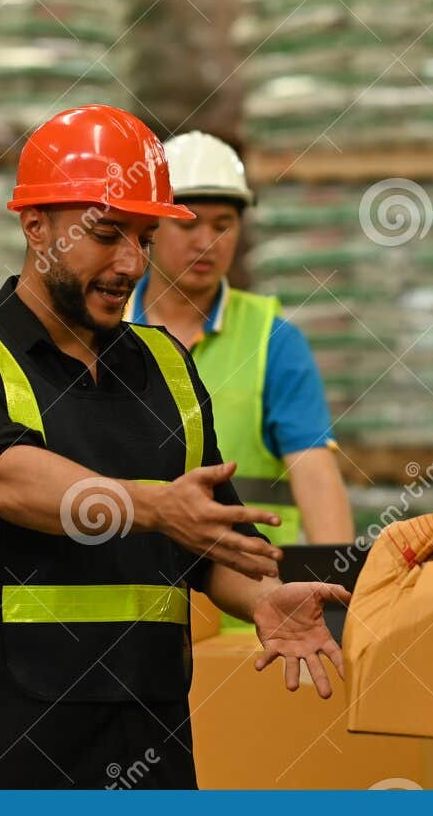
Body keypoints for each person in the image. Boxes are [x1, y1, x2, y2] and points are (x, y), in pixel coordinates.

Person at [0, 105, 349, 789]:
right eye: (106, 234)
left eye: (145, 237)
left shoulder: (167, 367)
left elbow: (207, 540)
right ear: (35, 225)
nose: (131, 263)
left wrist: (261, 597)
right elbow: (9, 480)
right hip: (2, 762)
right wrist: (155, 508)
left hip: (152, 757)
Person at [128, 131, 353, 550]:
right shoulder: (102, 328)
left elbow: (316, 476)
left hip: (251, 589)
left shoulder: (273, 342)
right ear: (150, 227)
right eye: (188, 223)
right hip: (134, 587)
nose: (206, 242)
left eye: (223, 225)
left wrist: (340, 582)